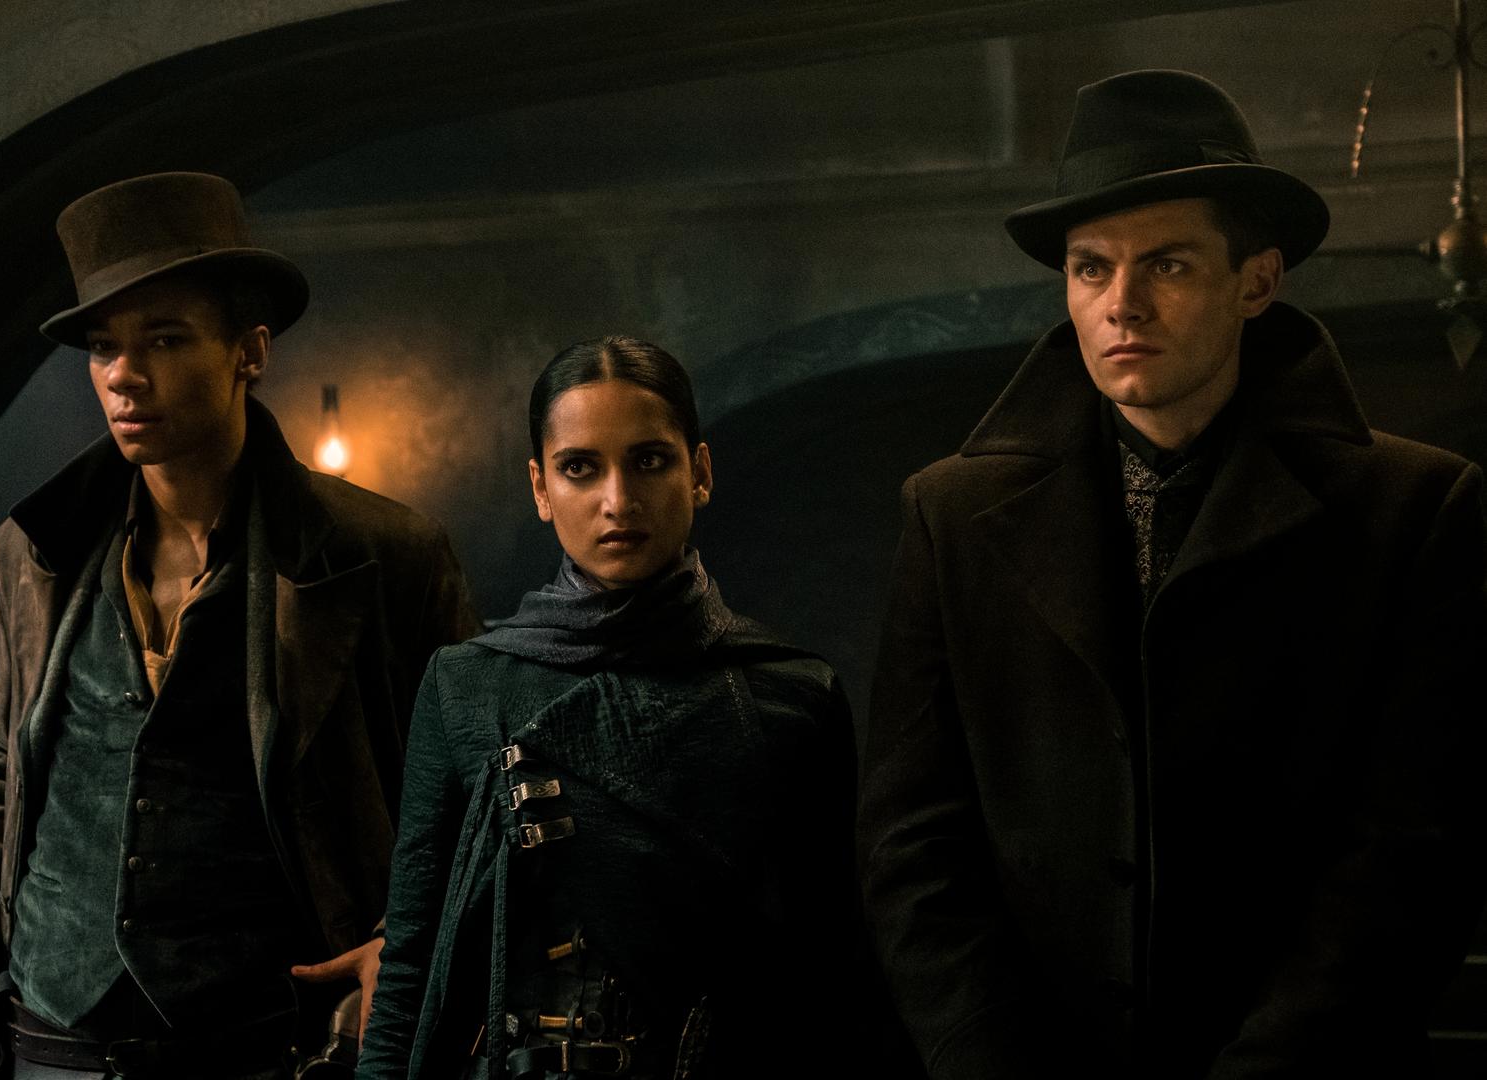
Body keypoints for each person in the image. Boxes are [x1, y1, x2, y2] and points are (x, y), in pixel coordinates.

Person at [858, 69, 1487, 1077]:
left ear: (1257, 282)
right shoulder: (953, 515)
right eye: (1090, 268)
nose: (1123, 305)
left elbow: (1414, 850)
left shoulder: (1415, 510)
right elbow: (913, 841)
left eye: (1168, 265)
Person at [0, 172, 481, 1079]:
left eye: (165, 339)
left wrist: (405, 939)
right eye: (103, 347)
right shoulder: (34, 552)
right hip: (54, 1040)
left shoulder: (382, 555)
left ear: (249, 351)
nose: (123, 375)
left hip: (270, 1043)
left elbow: (470, 781)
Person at [354, 336, 857, 1079]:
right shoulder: (467, 685)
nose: (617, 501)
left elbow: (833, 973)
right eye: (579, 468)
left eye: (649, 461)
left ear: (700, 472)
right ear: (540, 487)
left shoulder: (790, 693)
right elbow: (412, 963)